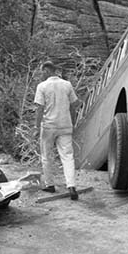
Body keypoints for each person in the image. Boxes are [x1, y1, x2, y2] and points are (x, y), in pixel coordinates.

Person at [33, 59, 81, 200]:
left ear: (47, 70)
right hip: (65, 125)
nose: (42, 74)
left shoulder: (42, 86)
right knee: (67, 156)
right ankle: (71, 186)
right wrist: (73, 123)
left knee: (47, 156)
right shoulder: (67, 85)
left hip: (49, 126)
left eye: (42, 72)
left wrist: (36, 127)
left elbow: (40, 108)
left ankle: (50, 185)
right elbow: (74, 105)